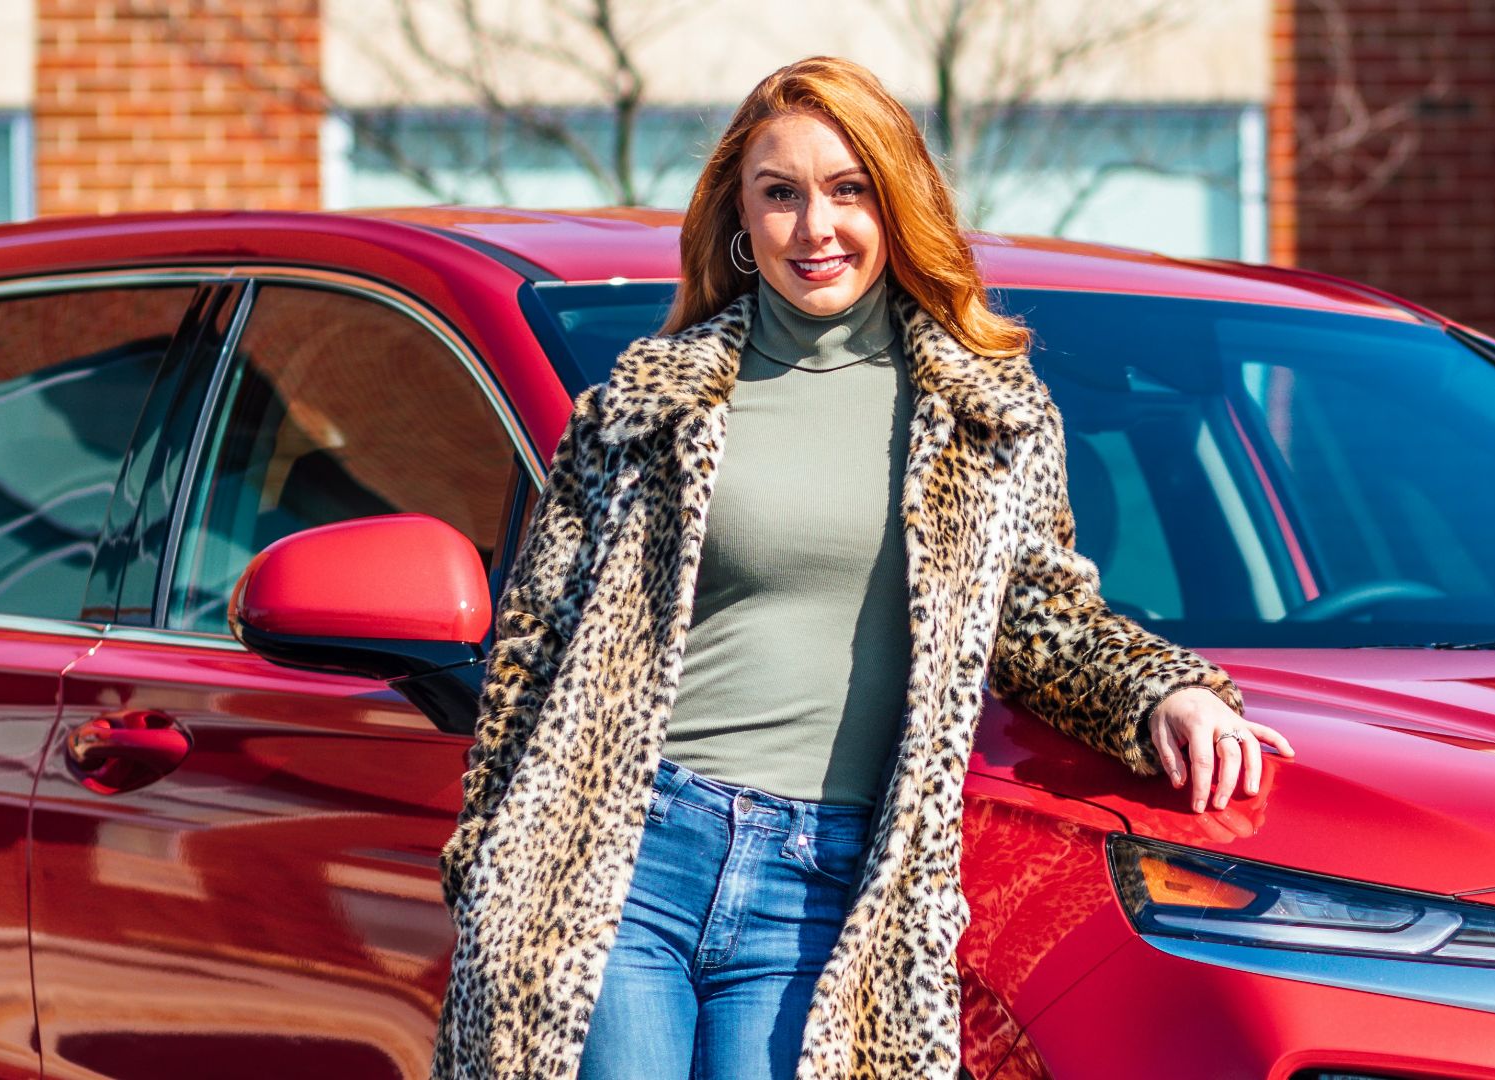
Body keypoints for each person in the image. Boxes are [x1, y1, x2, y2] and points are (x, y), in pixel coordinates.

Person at [430, 55, 1293, 1080]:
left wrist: (1167, 692)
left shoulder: (989, 419)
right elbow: (534, 651)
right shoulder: (645, 406)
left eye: (848, 190)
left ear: (893, 204)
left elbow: (1040, 613)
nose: (815, 227)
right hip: (627, 853)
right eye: (780, 194)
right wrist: (486, 863)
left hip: (828, 885)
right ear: (738, 218)